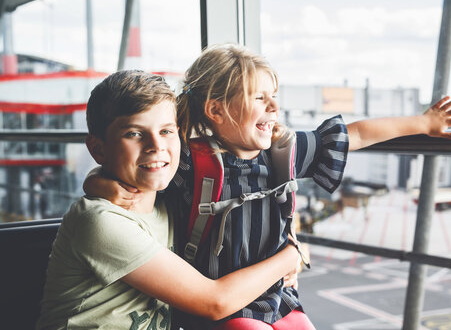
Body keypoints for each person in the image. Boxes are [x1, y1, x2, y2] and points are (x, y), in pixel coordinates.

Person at [85, 44, 451, 329]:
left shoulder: (282, 152)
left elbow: (352, 134)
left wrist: (422, 124)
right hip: (223, 303)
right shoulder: (191, 160)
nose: (273, 108)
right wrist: (99, 180)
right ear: (216, 111)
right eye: (259, 98)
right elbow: (143, 170)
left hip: (277, 292)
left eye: (275, 97)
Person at [37, 70, 301, 330]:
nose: (156, 146)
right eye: (134, 133)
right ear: (98, 149)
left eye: (165, 131)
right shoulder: (99, 221)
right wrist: (292, 256)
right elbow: (215, 302)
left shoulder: (172, 202)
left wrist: (95, 178)